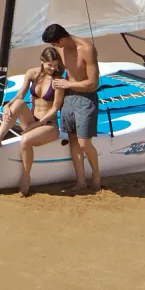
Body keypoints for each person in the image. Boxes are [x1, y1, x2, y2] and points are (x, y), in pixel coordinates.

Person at [0, 47, 66, 195]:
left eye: (55, 64)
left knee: (25, 141)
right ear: (42, 61)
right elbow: (21, 95)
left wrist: (37, 124)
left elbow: (55, 108)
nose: (53, 68)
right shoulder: (32, 73)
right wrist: (8, 105)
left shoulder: (58, 81)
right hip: (32, 121)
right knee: (18, 104)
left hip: (49, 126)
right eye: (49, 65)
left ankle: (26, 176)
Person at [42, 22, 103, 192]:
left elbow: (93, 83)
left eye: (54, 44)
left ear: (61, 39)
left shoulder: (86, 49)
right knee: (74, 140)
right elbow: (53, 68)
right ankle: (81, 181)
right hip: (68, 98)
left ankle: (96, 175)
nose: (54, 47)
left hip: (85, 98)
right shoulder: (60, 50)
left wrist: (67, 84)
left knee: (84, 143)